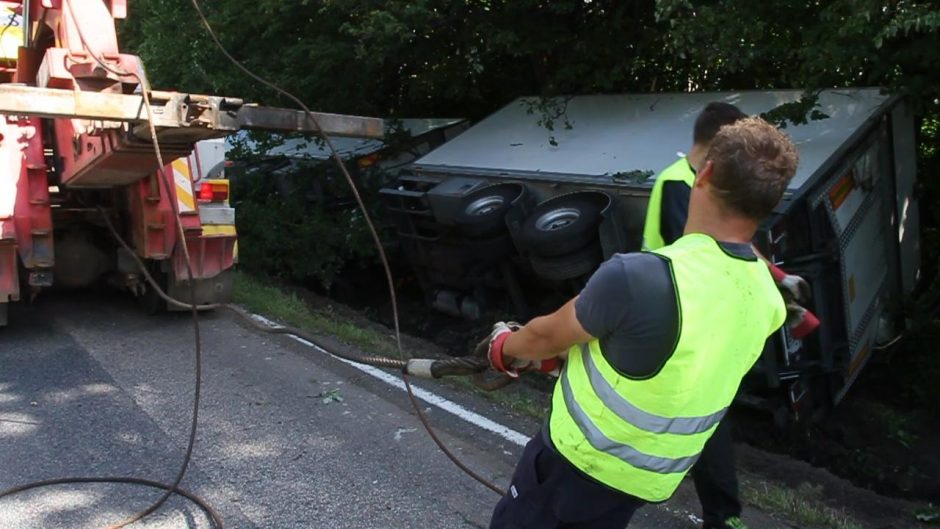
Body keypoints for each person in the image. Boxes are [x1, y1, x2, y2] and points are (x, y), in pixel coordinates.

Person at [479, 117, 799, 529]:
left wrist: (502, 347)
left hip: (577, 460)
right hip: (641, 483)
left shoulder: (638, 276)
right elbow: (677, 365)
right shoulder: (767, 300)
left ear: (707, 173)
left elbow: (543, 337)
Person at [643, 101, 750, 529]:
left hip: (697, 317)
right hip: (672, 314)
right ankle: (722, 516)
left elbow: (732, 242)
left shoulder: (713, 184)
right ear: (716, 145)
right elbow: (697, 255)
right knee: (703, 413)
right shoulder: (677, 186)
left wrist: (775, 277)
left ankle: (722, 515)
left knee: (702, 413)